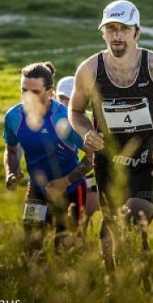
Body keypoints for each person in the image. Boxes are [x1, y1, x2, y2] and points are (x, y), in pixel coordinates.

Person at [69, 0, 153, 271]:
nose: (117, 36)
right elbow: (75, 111)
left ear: (136, 33)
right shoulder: (90, 70)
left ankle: (139, 280)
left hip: (147, 163)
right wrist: (85, 133)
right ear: (103, 32)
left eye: (124, 29)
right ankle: (125, 286)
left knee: (131, 219)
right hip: (109, 166)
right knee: (110, 236)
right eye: (111, 29)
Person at [4, 62, 93, 256]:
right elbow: (11, 150)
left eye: (35, 92)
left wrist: (64, 182)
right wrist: (11, 171)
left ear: (50, 92)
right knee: (31, 248)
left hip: (70, 190)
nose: (28, 97)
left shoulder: (65, 118)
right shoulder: (13, 117)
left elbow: (90, 159)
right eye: (24, 90)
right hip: (36, 190)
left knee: (66, 251)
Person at [56, 76, 99, 233]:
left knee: (84, 216)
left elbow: (91, 155)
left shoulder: (83, 120)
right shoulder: (51, 118)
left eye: (69, 98)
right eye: (62, 98)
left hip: (88, 174)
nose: (65, 103)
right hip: (62, 175)